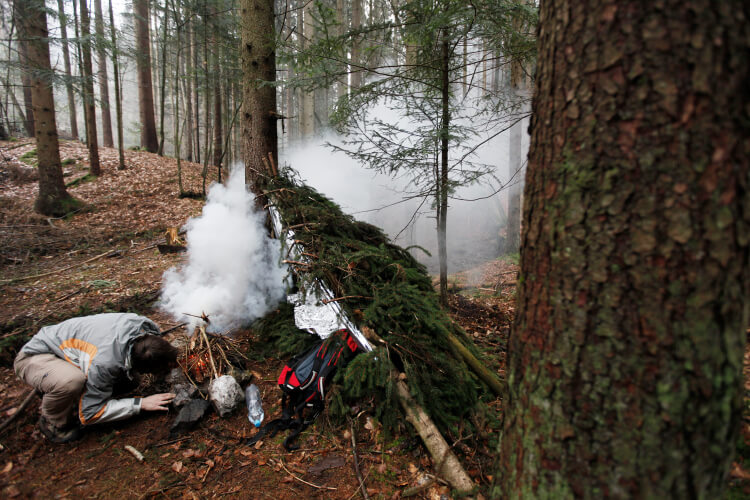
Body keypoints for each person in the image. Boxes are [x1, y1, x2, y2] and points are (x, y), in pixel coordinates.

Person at [14, 312, 178, 443]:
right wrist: (141, 403)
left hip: (69, 350)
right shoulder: (103, 363)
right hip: (36, 357)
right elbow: (90, 413)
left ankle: (60, 390)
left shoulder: (145, 326)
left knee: (131, 382)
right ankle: (53, 422)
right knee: (71, 382)